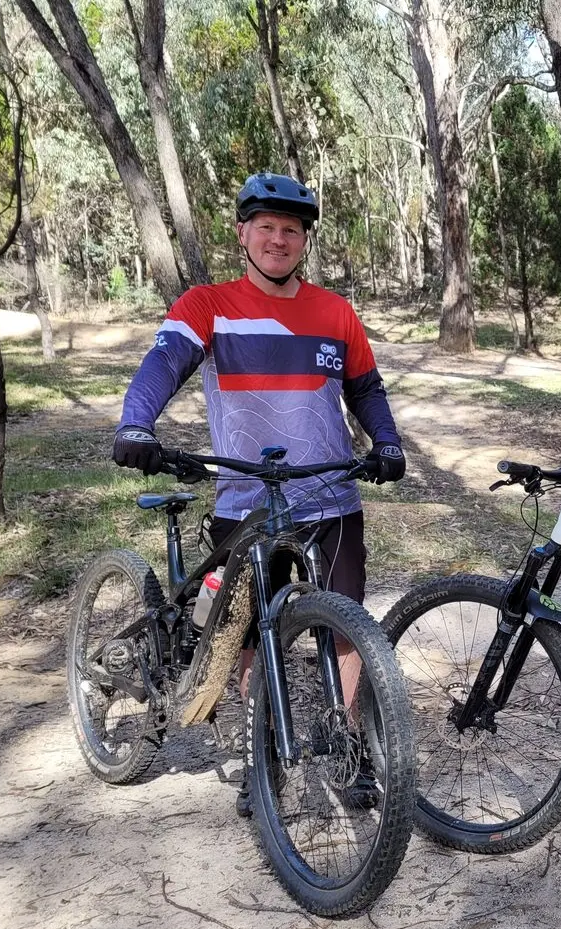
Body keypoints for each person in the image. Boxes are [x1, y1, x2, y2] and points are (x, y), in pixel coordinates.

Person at [111, 172, 406, 814]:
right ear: (243, 234)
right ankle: (258, 752)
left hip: (328, 497)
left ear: (305, 241)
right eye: (266, 227)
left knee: (347, 626)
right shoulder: (208, 305)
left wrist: (386, 442)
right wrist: (137, 421)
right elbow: (163, 362)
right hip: (246, 500)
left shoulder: (336, 313)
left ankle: (348, 742)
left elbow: (366, 388)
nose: (278, 239)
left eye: (291, 230)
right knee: (249, 633)